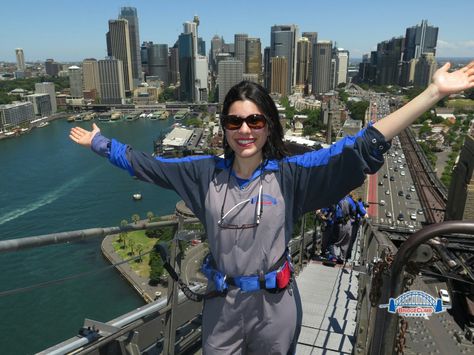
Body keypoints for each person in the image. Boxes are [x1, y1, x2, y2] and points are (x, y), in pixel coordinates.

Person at [69, 61, 473, 354]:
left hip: (275, 307)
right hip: (221, 306)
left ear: (268, 125)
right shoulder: (201, 173)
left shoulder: (290, 175)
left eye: (255, 120)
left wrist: (433, 92)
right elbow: (148, 165)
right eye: (234, 121)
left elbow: (359, 148)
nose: (245, 130)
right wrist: (101, 144)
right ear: (224, 127)